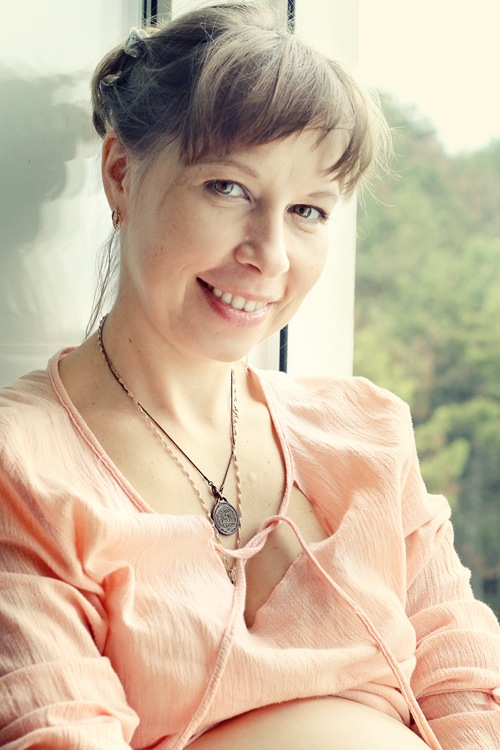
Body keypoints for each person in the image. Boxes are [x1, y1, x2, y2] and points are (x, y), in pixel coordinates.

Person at [1, 2, 499, 748]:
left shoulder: (367, 432)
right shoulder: (23, 464)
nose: (269, 254)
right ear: (121, 174)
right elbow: (58, 732)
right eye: (228, 188)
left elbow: (470, 696)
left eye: (308, 210)